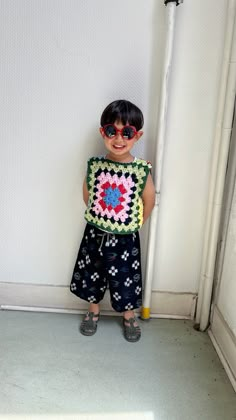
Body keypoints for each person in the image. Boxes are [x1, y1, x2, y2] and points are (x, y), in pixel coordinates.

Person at [70, 99, 155, 342]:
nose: (118, 139)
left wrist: (135, 223)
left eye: (126, 133)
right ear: (102, 132)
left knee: (124, 277)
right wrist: (102, 216)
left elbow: (148, 199)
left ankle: (129, 315)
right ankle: (93, 310)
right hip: (95, 233)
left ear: (137, 136)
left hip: (125, 238)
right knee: (92, 273)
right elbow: (88, 193)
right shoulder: (96, 165)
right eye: (112, 131)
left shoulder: (140, 170)